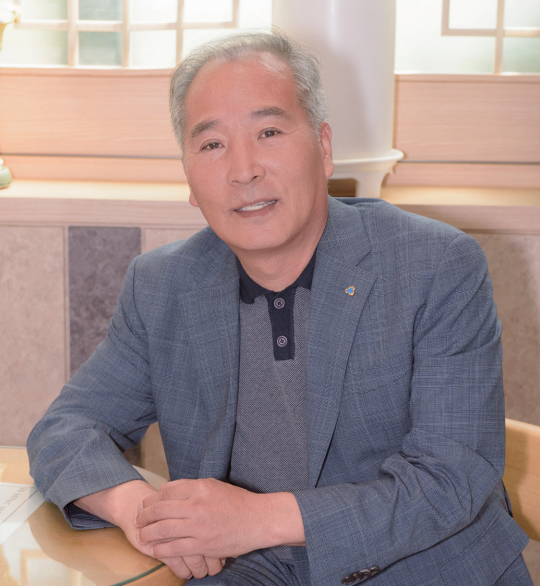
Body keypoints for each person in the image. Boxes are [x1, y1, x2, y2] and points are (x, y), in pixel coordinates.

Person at [27, 31, 532, 586]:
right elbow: (66, 428)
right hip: (248, 572)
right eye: (212, 144)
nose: (243, 170)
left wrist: (254, 520)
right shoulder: (163, 286)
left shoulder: (436, 265)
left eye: (268, 132)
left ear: (324, 147)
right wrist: (143, 514)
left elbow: (451, 478)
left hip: (423, 568)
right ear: (189, 177)